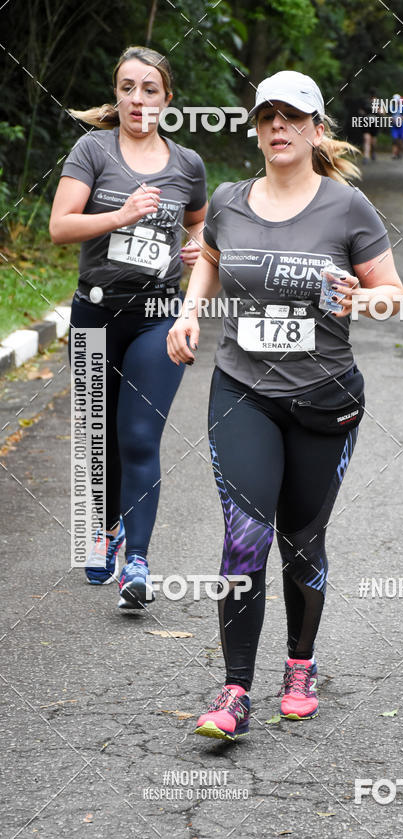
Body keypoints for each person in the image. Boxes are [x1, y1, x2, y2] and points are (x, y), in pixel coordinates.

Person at [167, 70, 403, 742]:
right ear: (257, 127)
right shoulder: (230, 200)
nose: (278, 127)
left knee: (301, 544)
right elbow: (209, 258)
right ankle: (235, 687)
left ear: (315, 129)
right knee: (245, 534)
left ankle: (299, 664)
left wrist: (362, 298)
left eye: (292, 117)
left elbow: (391, 290)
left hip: (325, 397)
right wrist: (190, 314)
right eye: (267, 115)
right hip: (243, 389)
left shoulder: (347, 207)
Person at [49, 46, 207, 610]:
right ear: (116, 95)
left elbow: (198, 225)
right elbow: (60, 226)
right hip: (95, 311)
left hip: (158, 316)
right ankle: (103, 530)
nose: (137, 99)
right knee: (97, 440)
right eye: (127, 87)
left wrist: (196, 251)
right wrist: (120, 215)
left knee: (139, 437)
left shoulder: (187, 163)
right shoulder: (92, 149)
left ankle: (136, 560)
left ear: (167, 98)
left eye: (149, 89)